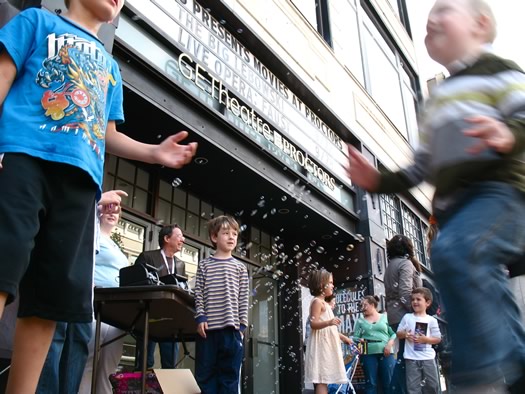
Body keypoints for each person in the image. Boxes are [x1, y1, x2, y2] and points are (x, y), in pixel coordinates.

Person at [0, 1, 198, 392]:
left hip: (80, 186)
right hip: (24, 160)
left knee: (49, 303)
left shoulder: (109, 66)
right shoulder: (36, 22)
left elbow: (107, 133)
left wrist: (155, 152)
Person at [346, 0, 525, 391]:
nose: (431, 20)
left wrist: (507, 134)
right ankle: (516, 363)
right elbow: (420, 167)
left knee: (454, 252)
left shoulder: (499, 73)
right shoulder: (437, 103)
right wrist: (378, 180)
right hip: (457, 212)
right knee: (468, 270)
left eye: (444, 11)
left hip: (500, 194)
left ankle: (480, 370)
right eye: (428, 18)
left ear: (479, 24)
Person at [194, 215, 249, 393]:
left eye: (234, 233)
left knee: (230, 377)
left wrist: (242, 327)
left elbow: (243, 299)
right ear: (214, 237)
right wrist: (200, 316)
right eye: (226, 233)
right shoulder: (204, 265)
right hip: (208, 331)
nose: (232, 237)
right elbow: (199, 293)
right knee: (205, 376)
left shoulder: (240, 268)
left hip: (232, 331)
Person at [78, 208, 130, 394]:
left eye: (116, 212)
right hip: (96, 302)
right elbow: (84, 261)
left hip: (116, 308)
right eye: (108, 209)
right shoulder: (93, 235)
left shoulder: (116, 246)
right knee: (89, 358)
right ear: (99, 212)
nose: (112, 213)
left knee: (110, 363)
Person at [134, 224, 186, 370]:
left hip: (171, 321)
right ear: (167, 238)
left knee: (170, 365)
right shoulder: (147, 257)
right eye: (179, 236)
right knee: (144, 362)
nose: (183, 240)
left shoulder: (181, 264)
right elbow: (137, 284)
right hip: (148, 317)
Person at [384, 235, 422, 394]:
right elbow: (406, 292)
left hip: (394, 315)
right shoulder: (405, 264)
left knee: (405, 357)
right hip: (406, 315)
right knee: (412, 358)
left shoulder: (390, 265)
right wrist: (419, 312)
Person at [304, 269, 351, 394]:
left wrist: (344, 338)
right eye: (330, 282)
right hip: (320, 346)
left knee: (324, 378)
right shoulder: (317, 302)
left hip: (327, 345)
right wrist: (329, 322)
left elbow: (331, 330)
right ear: (321, 285)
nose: (333, 285)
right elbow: (313, 324)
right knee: (321, 378)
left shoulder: (325, 303)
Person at [397, 288, 441, 394]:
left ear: (428, 302)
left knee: (432, 386)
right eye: (413, 299)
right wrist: (406, 335)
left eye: (418, 299)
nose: (415, 302)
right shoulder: (407, 317)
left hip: (428, 358)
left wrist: (425, 339)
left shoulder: (432, 320)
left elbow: (438, 339)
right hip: (411, 359)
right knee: (413, 388)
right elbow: (399, 333)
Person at [352, 295, 396, 394]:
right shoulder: (360, 321)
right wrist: (359, 339)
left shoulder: (385, 317)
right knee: (370, 383)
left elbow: (393, 333)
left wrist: (389, 344)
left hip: (386, 352)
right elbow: (355, 337)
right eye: (361, 305)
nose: (363, 307)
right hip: (368, 353)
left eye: (365, 305)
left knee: (388, 382)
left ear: (372, 305)